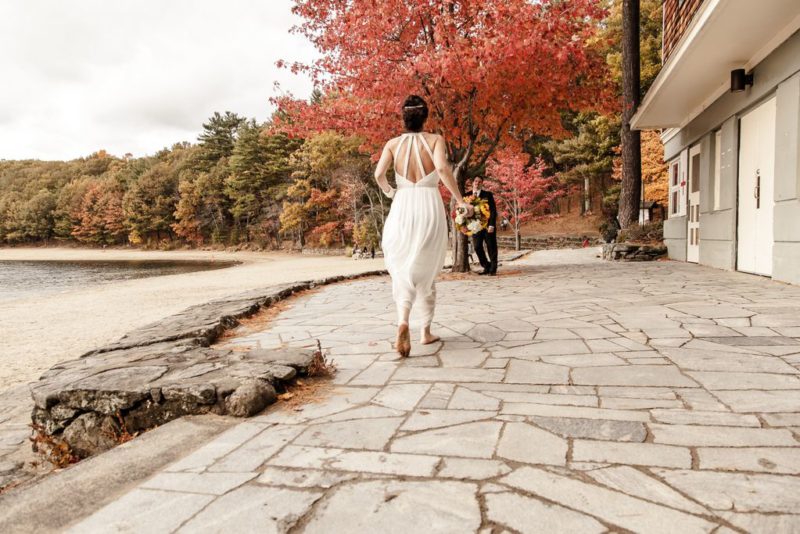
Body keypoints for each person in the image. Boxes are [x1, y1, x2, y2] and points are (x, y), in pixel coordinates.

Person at [374, 94, 472, 358]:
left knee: (403, 266)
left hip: (403, 206)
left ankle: (402, 320)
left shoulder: (393, 144)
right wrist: (460, 200)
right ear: (425, 116)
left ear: (403, 117)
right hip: (429, 204)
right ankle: (425, 332)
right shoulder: (436, 140)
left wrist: (390, 192)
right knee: (427, 271)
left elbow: (378, 174)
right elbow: (441, 168)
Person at [470, 177, 498, 276]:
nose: (477, 183)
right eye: (476, 181)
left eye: (480, 182)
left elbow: (493, 210)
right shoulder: (466, 195)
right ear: (473, 182)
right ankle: (486, 266)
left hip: (487, 226)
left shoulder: (488, 195)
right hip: (475, 226)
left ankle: (493, 269)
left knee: (491, 247)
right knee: (477, 247)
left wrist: (492, 224)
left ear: (482, 184)